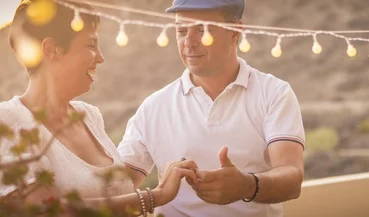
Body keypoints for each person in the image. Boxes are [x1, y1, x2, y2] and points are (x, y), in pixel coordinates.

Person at [0, 1, 198, 216]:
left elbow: (116, 191)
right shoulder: (5, 121)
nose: (101, 58)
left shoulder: (89, 116)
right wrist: (155, 197)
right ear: (52, 49)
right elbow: (46, 211)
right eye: (91, 45)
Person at [116, 0, 306, 216]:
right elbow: (115, 186)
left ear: (235, 31)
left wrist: (246, 185)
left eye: (201, 29)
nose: (189, 42)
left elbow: (292, 178)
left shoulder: (274, 93)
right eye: (181, 31)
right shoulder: (153, 107)